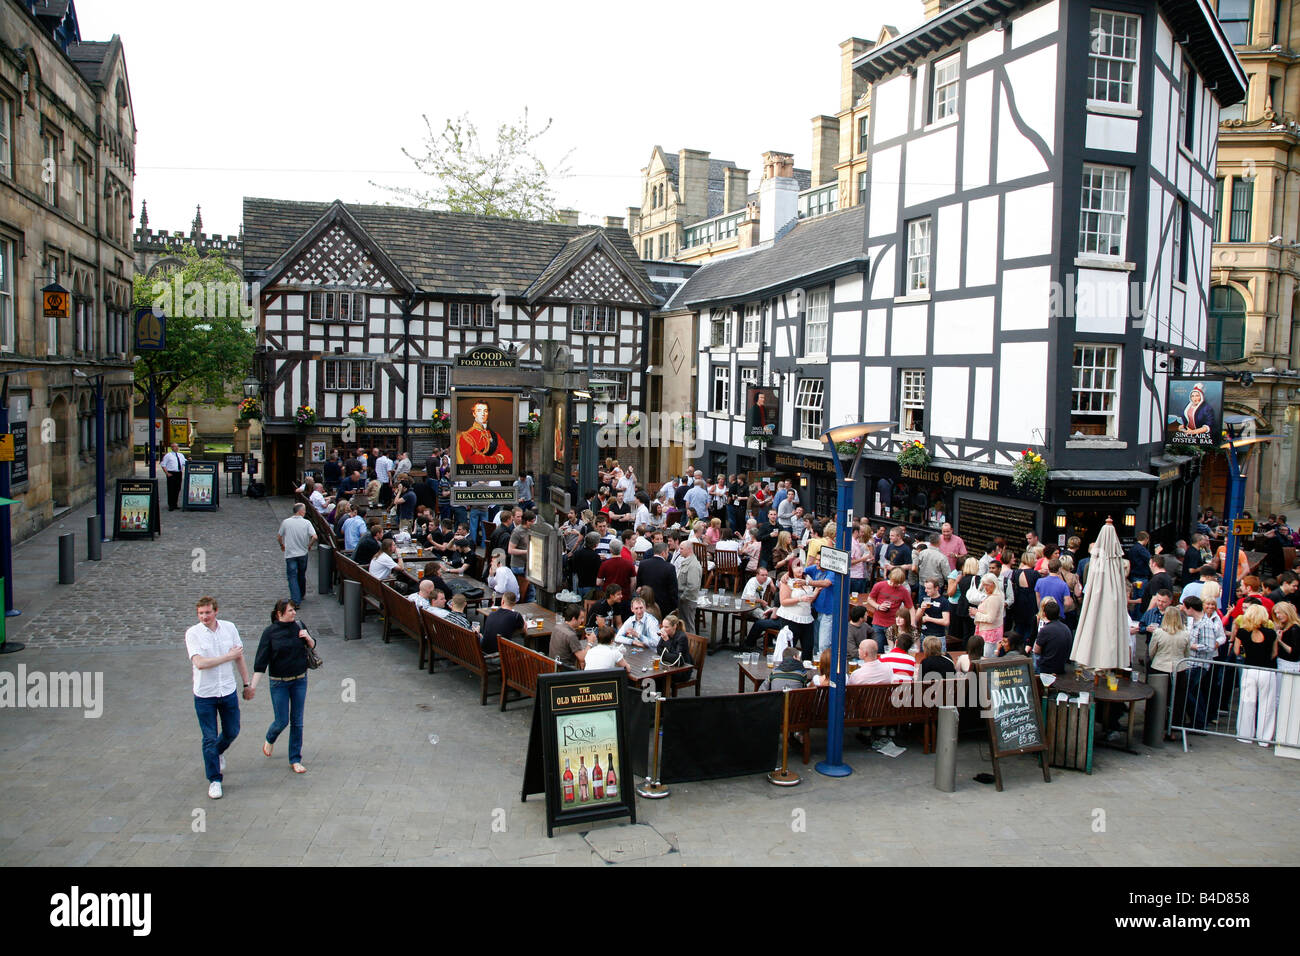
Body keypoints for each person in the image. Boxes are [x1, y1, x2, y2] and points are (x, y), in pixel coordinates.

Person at [185, 596, 250, 799]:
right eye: (201, 613)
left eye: (208, 612)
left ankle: (218, 752)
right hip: (205, 693)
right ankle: (214, 779)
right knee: (209, 738)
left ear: (216, 612)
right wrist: (227, 657)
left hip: (227, 690)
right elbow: (200, 663)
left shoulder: (229, 628)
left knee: (232, 730)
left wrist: (247, 683)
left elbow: (239, 657)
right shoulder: (193, 633)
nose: (204, 616)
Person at [247, 599, 315, 774]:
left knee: (297, 721)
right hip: (279, 682)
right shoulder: (269, 633)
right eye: (290, 610)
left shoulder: (299, 626)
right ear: (279, 613)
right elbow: (260, 663)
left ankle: (295, 759)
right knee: (282, 720)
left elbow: (313, 645)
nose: (294, 613)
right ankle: (270, 738)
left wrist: (308, 637)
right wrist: (251, 687)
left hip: (300, 679)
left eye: (294, 610)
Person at [1234, 603, 1278, 744]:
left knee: (1247, 702)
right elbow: (1275, 653)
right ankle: (1264, 738)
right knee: (1267, 704)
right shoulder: (1271, 633)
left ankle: (1244, 735)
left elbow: (1236, 651)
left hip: (1249, 669)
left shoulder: (1242, 632)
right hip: (1267, 670)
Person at [277, 503, 317, 608]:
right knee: (301, 574)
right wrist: (309, 545)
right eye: (304, 510)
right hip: (302, 553)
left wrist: (282, 545)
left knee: (292, 576)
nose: (305, 512)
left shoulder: (286, 522)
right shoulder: (306, 523)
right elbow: (314, 536)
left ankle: (296, 599)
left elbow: (279, 536)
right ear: (300, 511)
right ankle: (301, 593)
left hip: (290, 554)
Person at [866, 567, 914, 650]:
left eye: (897, 583)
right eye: (892, 582)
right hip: (878, 623)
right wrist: (878, 606)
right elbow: (869, 599)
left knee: (894, 650)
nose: (894, 585)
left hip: (893, 625)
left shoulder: (903, 591)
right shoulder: (879, 585)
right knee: (878, 649)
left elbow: (911, 607)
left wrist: (912, 623)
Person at [456, 401, 513, 466]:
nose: (483, 414)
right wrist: (497, 458)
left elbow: (509, 457)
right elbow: (472, 460)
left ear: (488, 413)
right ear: (474, 414)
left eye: (485, 411)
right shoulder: (466, 436)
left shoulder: (496, 436)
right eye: (479, 411)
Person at [636, 541, 679, 618]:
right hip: (664, 607)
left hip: (646, 604)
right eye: (667, 552)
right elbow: (673, 590)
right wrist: (675, 606)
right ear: (663, 553)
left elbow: (639, 584)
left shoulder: (643, 564)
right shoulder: (670, 568)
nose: (668, 554)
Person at [1032, 598, 1072, 675]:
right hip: (1061, 666)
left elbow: (1036, 651)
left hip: (1046, 668)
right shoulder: (1066, 628)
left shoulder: (1045, 630)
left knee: (1035, 656)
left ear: (1045, 614)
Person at [971, 573, 1006, 660]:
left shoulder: (994, 598)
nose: (985, 587)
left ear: (994, 584)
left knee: (987, 659)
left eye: (987, 585)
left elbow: (990, 618)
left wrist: (976, 613)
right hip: (988, 631)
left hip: (990, 633)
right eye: (984, 585)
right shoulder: (994, 595)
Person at [480, 591, 524, 656]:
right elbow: (522, 629)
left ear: (502, 601)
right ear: (514, 603)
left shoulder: (491, 614)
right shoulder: (516, 615)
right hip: (499, 656)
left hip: (484, 652)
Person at [676, 540, 702, 631]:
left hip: (688, 600)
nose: (680, 551)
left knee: (688, 625)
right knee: (684, 624)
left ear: (689, 550)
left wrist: (683, 597)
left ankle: (692, 644)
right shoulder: (687, 561)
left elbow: (693, 585)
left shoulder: (693, 565)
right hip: (685, 598)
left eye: (682, 549)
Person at [162, 441, 187, 511]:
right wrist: (167, 473)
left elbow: (185, 462)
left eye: (176, 446)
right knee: (171, 489)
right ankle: (171, 505)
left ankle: (175, 504)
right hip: (171, 473)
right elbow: (163, 464)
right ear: (171, 448)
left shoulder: (181, 455)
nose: (176, 448)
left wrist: (189, 460)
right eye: (174, 446)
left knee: (177, 489)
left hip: (179, 473)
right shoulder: (168, 455)